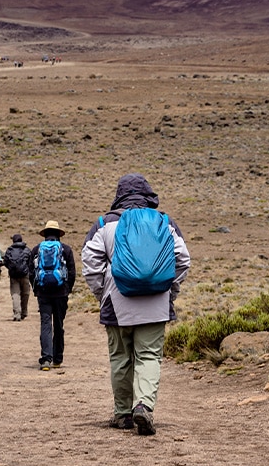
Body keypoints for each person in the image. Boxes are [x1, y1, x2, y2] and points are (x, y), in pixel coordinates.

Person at [81, 174, 190, 435]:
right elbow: (183, 260)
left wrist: (103, 293)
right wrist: (169, 291)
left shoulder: (104, 224)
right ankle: (144, 405)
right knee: (149, 355)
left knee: (120, 358)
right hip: (156, 302)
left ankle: (122, 414)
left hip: (117, 303)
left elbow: (90, 263)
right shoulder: (164, 222)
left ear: (119, 194)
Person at [31, 220, 76, 371]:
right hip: (60, 293)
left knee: (45, 324)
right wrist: (67, 289)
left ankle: (46, 359)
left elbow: (31, 272)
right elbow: (72, 272)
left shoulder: (37, 249)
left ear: (45, 234)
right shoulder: (66, 249)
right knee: (59, 325)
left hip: (43, 293)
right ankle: (57, 358)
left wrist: (36, 289)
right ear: (59, 234)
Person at [3, 233, 33, 321]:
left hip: (13, 276)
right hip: (25, 275)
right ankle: (24, 312)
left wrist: (11, 269)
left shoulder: (9, 250)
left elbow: (5, 262)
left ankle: (17, 314)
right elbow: (31, 262)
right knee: (25, 293)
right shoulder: (27, 249)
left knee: (15, 294)